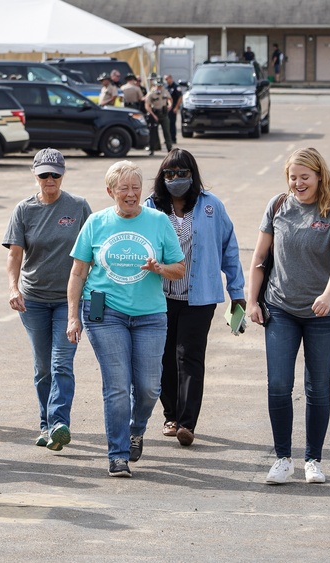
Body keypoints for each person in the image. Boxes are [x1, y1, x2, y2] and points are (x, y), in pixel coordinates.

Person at [67, 160, 185, 478]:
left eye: (135, 188)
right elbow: (78, 272)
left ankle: (137, 428)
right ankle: (117, 455)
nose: (131, 194)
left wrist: (160, 268)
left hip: (150, 314)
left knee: (148, 387)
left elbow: (180, 268)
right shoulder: (96, 223)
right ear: (111, 192)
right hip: (104, 311)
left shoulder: (159, 222)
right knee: (117, 386)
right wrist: (72, 317)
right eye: (124, 189)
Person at [246, 148, 330, 485]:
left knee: (317, 387)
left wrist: (328, 294)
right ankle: (282, 458)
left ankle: (313, 459)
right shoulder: (277, 206)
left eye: (304, 177)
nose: (298, 183)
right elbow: (259, 258)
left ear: (319, 176)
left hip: (325, 314)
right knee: (278, 384)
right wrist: (251, 301)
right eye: (293, 177)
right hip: (281, 309)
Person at [144, 149, 244, 447]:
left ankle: (187, 423)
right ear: (162, 178)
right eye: (170, 174)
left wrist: (236, 292)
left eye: (183, 174)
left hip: (198, 298)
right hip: (158, 296)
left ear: (193, 175)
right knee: (162, 359)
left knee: (189, 358)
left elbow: (230, 249)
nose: (176, 179)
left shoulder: (211, 207)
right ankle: (171, 415)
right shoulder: (150, 208)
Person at [3, 148, 91, 451]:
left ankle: (58, 423)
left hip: (70, 301)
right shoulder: (24, 210)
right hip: (34, 300)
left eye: (55, 174)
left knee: (61, 364)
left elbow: (93, 251)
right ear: (35, 175)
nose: (49, 179)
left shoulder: (78, 207)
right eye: (44, 174)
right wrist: (13, 288)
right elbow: (15, 254)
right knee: (43, 367)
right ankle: (45, 423)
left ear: (63, 174)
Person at [144, 78, 172, 157]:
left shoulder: (165, 91)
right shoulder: (151, 93)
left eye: (160, 86)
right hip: (155, 114)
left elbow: (169, 99)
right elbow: (147, 105)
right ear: (155, 85)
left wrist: (169, 105)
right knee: (153, 133)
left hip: (164, 114)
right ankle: (152, 149)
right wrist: (153, 115)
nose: (159, 87)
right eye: (158, 86)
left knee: (167, 132)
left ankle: (169, 149)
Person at [164, 74, 183, 146]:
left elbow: (180, 97)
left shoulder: (176, 87)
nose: (166, 81)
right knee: (167, 124)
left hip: (173, 108)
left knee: (172, 124)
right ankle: (168, 139)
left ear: (170, 78)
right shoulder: (166, 88)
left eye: (167, 79)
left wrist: (176, 107)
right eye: (165, 79)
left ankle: (173, 139)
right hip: (167, 109)